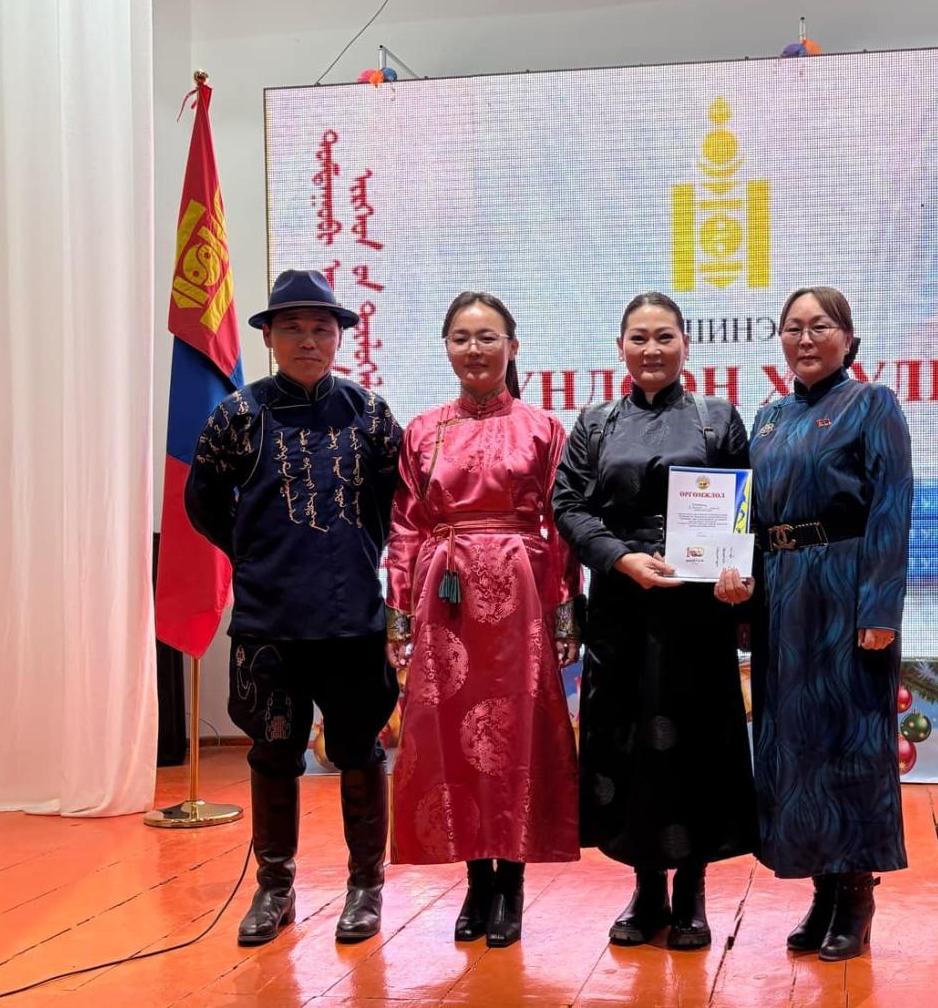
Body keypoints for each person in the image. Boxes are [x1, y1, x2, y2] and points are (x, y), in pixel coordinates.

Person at [183, 269, 403, 947]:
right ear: (269, 337)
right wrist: (255, 554)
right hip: (269, 621)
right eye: (293, 328)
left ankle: (365, 887)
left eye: (320, 329)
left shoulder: (370, 414)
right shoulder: (237, 414)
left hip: (351, 618)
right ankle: (274, 889)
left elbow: (392, 503)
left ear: (339, 337)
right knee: (273, 753)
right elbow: (202, 502)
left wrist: (352, 553)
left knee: (359, 750)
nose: (308, 340)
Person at [552, 291, 757, 951]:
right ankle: (646, 890)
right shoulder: (594, 423)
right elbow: (567, 505)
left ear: (685, 345)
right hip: (621, 609)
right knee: (628, 747)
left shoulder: (717, 419)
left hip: (697, 614)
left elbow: (744, 510)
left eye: (664, 337)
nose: (651, 349)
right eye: (638, 338)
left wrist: (736, 574)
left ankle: (691, 892)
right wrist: (620, 558)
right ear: (620, 347)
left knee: (695, 745)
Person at [722, 286, 912, 962]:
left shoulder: (872, 404)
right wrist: (739, 594)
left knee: (848, 742)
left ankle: (856, 897)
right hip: (780, 596)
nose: (806, 339)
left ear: (848, 338)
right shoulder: (768, 417)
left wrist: (879, 608)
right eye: (793, 327)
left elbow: (891, 507)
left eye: (820, 326)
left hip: (843, 590)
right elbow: (743, 515)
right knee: (794, 746)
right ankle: (822, 892)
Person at [385, 292, 580, 948]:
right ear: (446, 348)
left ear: (512, 347)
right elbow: (406, 526)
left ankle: (512, 881)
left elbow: (562, 526)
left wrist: (565, 609)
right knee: (452, 734)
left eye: (488, 337)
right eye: (462, 338)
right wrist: (399, 612)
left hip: (522, 592)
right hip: (446, 598)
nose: (475, 349)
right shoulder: (423, 430)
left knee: (515, 734)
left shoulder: (543, 427)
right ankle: (476, 880)